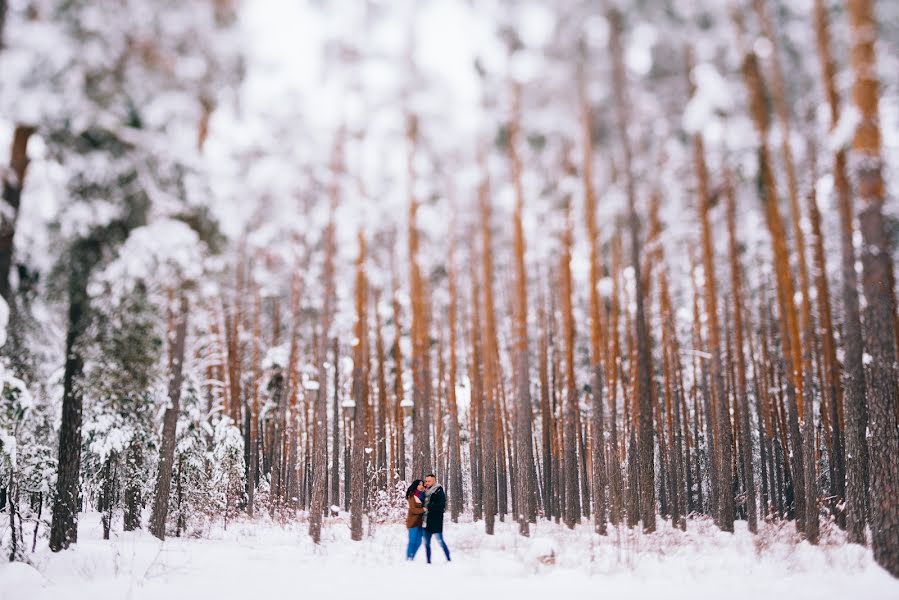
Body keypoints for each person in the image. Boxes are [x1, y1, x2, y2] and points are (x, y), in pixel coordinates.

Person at [422, 473, 451, 563]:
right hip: (426, 522)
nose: (426, 482)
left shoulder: (439, 491)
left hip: (436, 521)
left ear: (434, 481)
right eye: (426, 481)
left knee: (440, 542)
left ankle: (449, 559)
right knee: (426, 543)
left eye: (429, 481)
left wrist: (429, 506)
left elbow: (441, 505)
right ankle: (428, 562)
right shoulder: (425, 491)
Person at [405, 479, 426, 560]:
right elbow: (413, 509)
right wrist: (424, 509)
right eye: (419, 485)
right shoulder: (411, 496)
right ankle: (409, 558)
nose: (421, 486)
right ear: (415, 486)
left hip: (420, 522)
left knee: (419, 542)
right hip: (412, 522)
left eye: (422, 485)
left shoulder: (422, 495)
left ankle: (412, 556)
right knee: (412, 541)